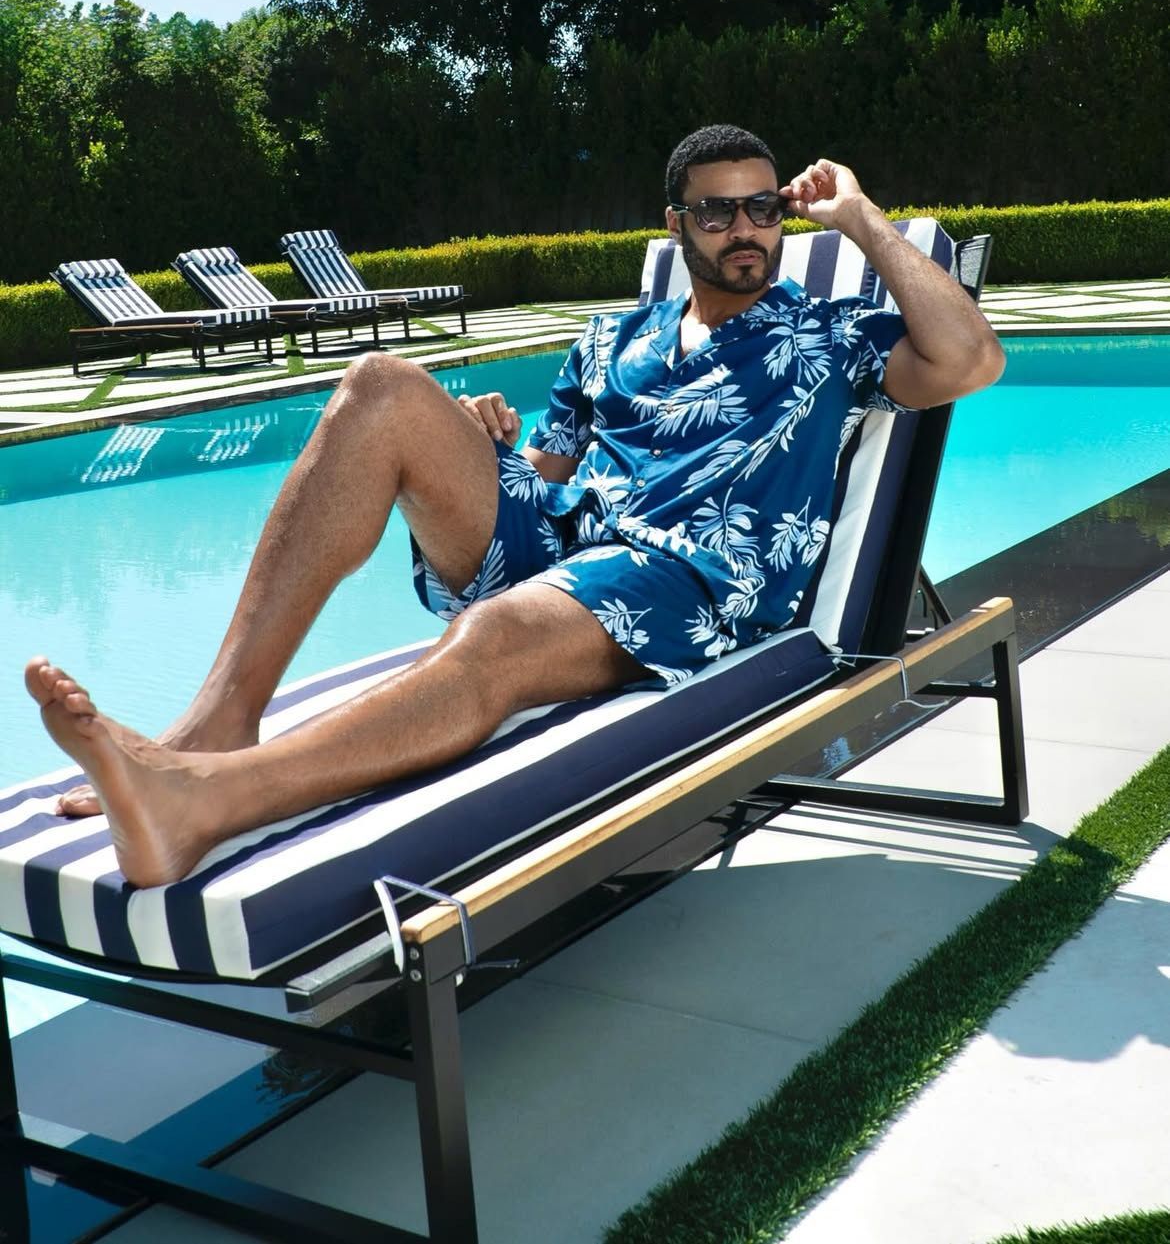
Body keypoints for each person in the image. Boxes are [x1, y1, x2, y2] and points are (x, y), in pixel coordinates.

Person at [27, 125, 1004, 887]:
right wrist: (484, 443)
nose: (745, 228)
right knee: (379, 388)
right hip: (575, 539)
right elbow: (546, 468)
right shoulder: (613, 336)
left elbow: (971, 357)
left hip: (689, 582)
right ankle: (218, 721)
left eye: (762, 208)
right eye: (718, 212)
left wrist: (861, 217)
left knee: (494, 633)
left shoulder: (831, 335)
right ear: (676, 223)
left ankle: (206, 801)